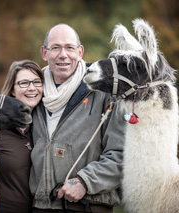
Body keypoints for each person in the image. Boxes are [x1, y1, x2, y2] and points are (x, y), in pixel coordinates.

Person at [29, 24, 126, 213]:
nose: (63, 55)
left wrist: (85, 181)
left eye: (69, 48)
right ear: (44, 53)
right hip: (40, 206)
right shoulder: (32, 92)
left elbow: (123, 153)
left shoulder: (104, 92)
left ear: (80, 52)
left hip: (88, 206)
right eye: (55, 47)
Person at [0, 60, 44, 213]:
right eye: (24, 83)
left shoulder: (43, 126)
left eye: (36, 82)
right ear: (12, 90)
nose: (32, 88)